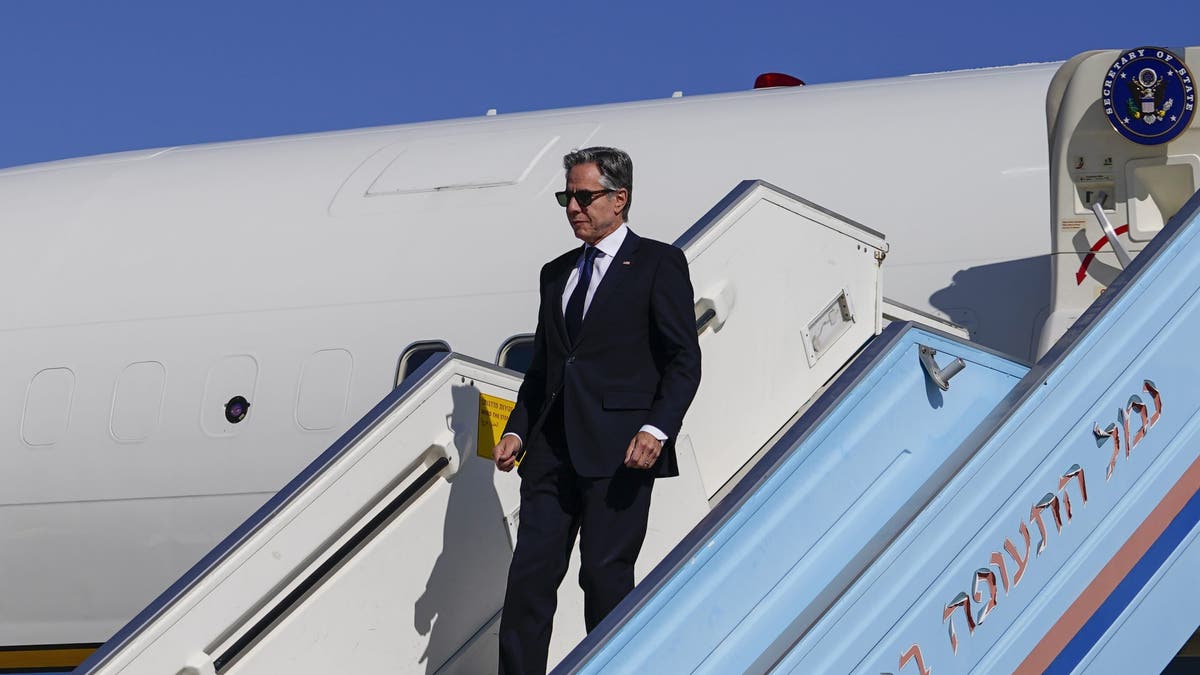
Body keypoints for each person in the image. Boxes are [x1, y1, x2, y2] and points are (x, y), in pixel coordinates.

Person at [492, 146, 702, 674]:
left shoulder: (658, 263)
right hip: (550, 453)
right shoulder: (554, 273)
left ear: (619, 199)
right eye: (567, 197)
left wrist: (658, 427)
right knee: (528, 581)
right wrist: (518, 430)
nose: (573, 207)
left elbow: (683, 359)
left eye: (584, 196)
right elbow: (543, 367)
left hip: (621, 452)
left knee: (604, 579)